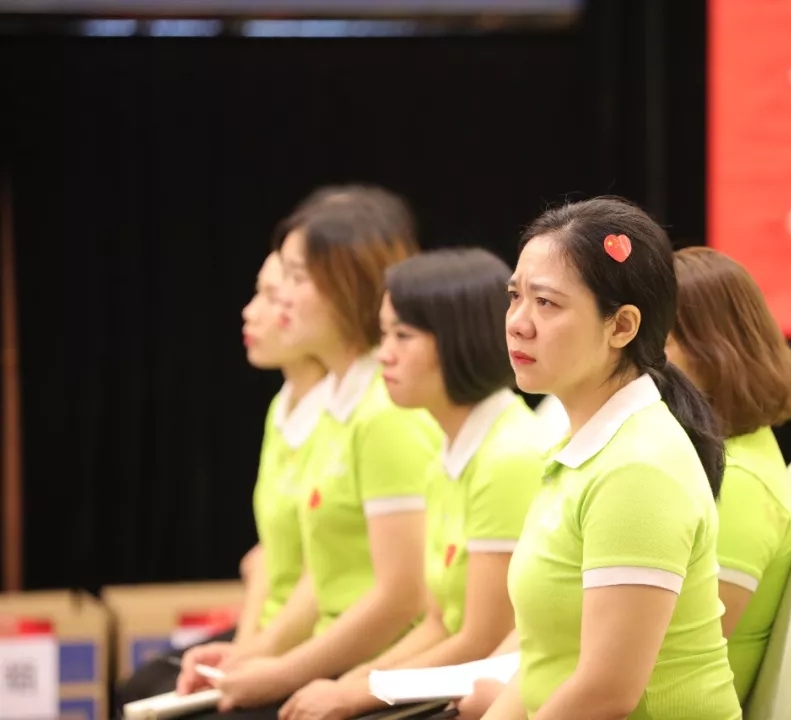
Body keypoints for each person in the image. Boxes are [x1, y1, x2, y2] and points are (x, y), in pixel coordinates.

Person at [175, 186, 441, 717]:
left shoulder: (385, 411)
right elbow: (321, 570)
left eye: (296, 279)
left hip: (380, 668)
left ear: (350, 284)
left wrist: (278, 669)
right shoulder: (339, 403)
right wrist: (252, 655)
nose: (279, 301)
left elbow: (403, 597)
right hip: (333, 653)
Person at [481, 196, 742, 720]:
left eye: (546, 303)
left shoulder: (638, 470)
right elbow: (545, 658)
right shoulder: (586, 443)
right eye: (515, 297)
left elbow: (605, 693)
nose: (518, 323)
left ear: (621, 327)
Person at [278, 248, 545, 720]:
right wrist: (352, 683)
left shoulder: (509, 456)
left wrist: (358, 692)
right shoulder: (447, 447)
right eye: (383, 334)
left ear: (459, 339)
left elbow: (481, 639)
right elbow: (439, 622)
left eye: (402, 335)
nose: (384, 354)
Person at [115, 247, 330, 706]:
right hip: (273, 630)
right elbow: (266, 556)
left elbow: (332, 572)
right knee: (140, 687)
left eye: (273, 295)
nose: (250, 311)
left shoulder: (353, 416)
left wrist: (255, 654)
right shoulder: (283, 407)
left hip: (322, 640)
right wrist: (246, 646)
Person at [664, 246, 791, 702]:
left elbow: (678, 657)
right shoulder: (712, 452)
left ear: (714, 354)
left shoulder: (741, 483)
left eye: (657, 343)